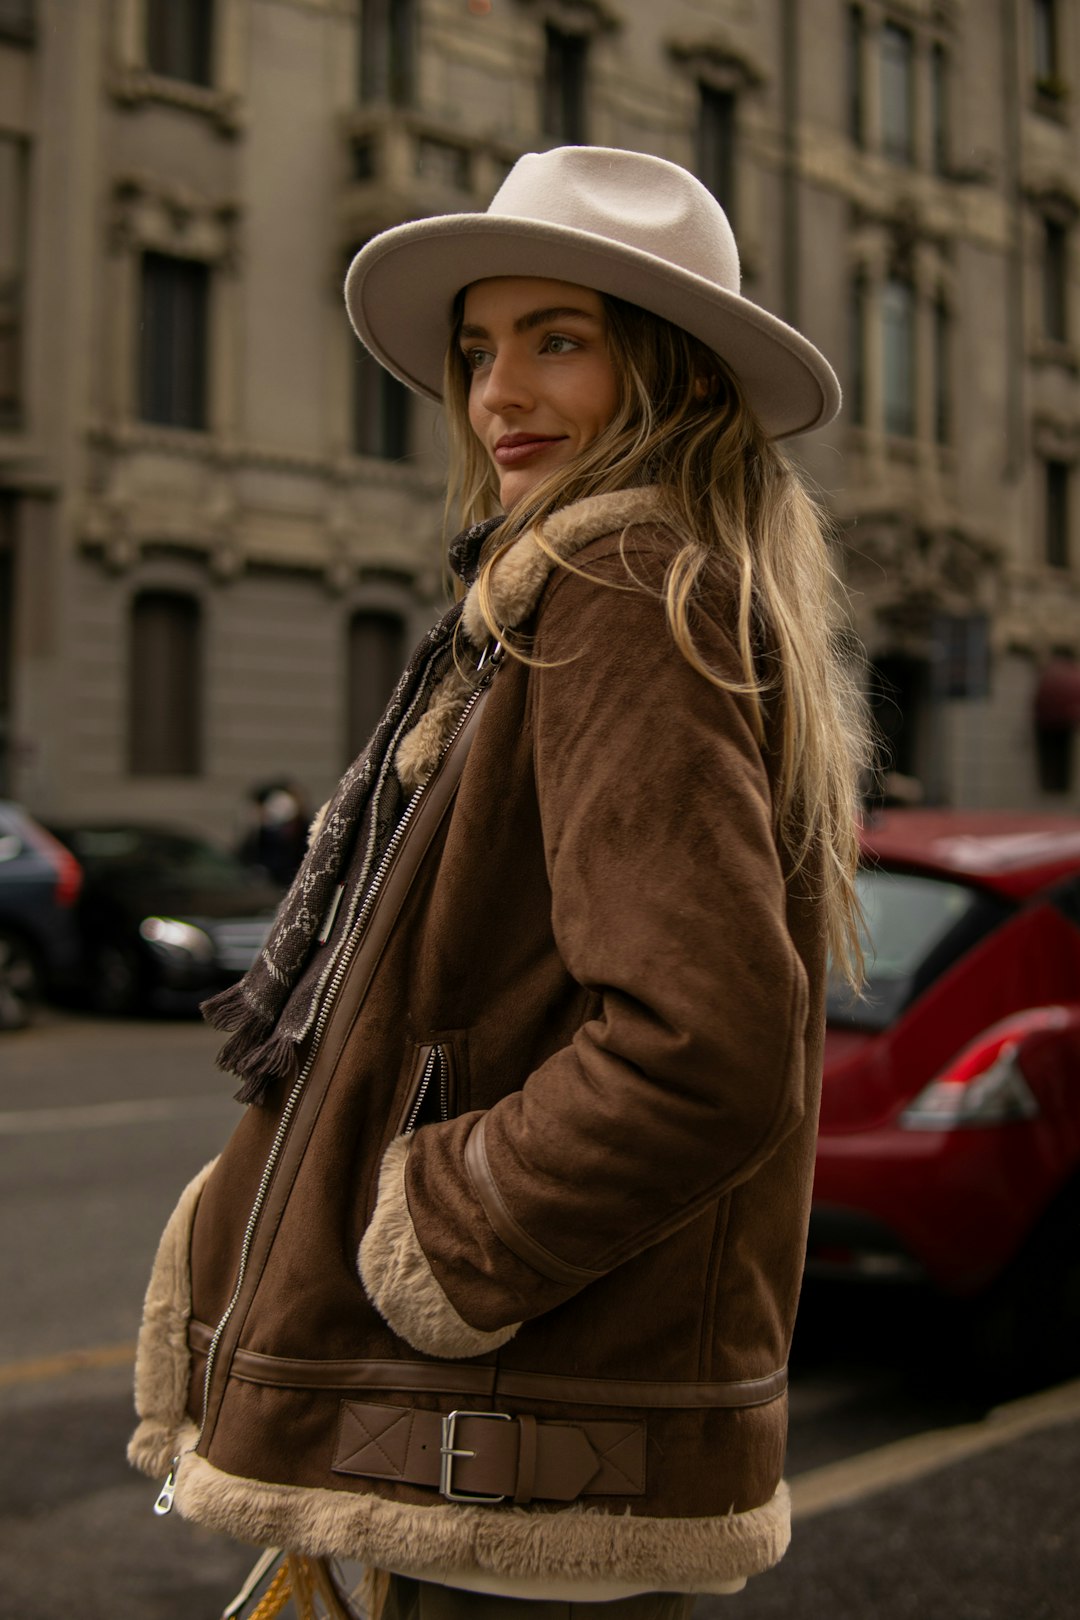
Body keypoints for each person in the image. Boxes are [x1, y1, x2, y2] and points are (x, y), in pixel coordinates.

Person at [128, 146, 868, 1620]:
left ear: (672, 375)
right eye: (478, 351)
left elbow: (706, 1046)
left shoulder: (617, 593)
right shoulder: (610, 590)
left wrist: (439, 1237)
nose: (497, 395)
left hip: (514, 1466)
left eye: (558, 341)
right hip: (511, 1454)